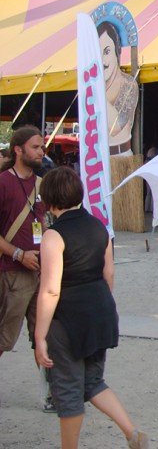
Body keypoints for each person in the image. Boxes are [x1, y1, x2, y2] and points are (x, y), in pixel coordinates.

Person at [34, 167, 149, 448]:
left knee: (68, 390)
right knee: (93, 381)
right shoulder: (99, 227)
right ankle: (132, 433)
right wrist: (99, 306)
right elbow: (108, 273)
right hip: (101, 310)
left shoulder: (53, 235)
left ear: (49, 199)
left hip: (68, 319)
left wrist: (39, 336)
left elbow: (50, 289)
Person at [0, 126, 52, 411]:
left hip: (40, 273)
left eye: (42, 147)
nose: (41, 152)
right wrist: (19, 254)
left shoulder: (43, 185)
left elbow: (44, 224)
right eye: (35, 147)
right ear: (18, 149)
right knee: (3, 337)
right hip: (11, 273)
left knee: (44, 335)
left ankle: (51, 393)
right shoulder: (2, 184)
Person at [98, 21, 138, 156]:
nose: (103, 60)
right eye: (98, 53)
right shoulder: (91, 86)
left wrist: (97, 89)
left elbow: (115, 126)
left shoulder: (128, 84)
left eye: (107, 51)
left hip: (122, 157)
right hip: (97, 158)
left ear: (117, 51)